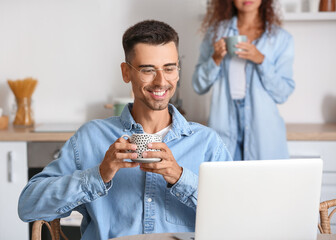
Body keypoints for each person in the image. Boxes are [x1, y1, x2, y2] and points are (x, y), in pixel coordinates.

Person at [18, 20, 232, 240]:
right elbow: (28, 206)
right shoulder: (91, 137)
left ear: (178, 71)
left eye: (169, 68)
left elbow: (235, 215)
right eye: (148, 70)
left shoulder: (207, 143)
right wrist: (99, 175)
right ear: (126, 72)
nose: (161, 81)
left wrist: (180, 178)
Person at [192, 0, 295, 160]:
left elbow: (283, 93)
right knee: (224, 183)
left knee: (264, 184)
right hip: (223, 124)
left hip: (264, 133)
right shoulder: (216, 33)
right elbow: (198, 85)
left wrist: (261, 60)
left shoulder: (280, 38)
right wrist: (216, 59)